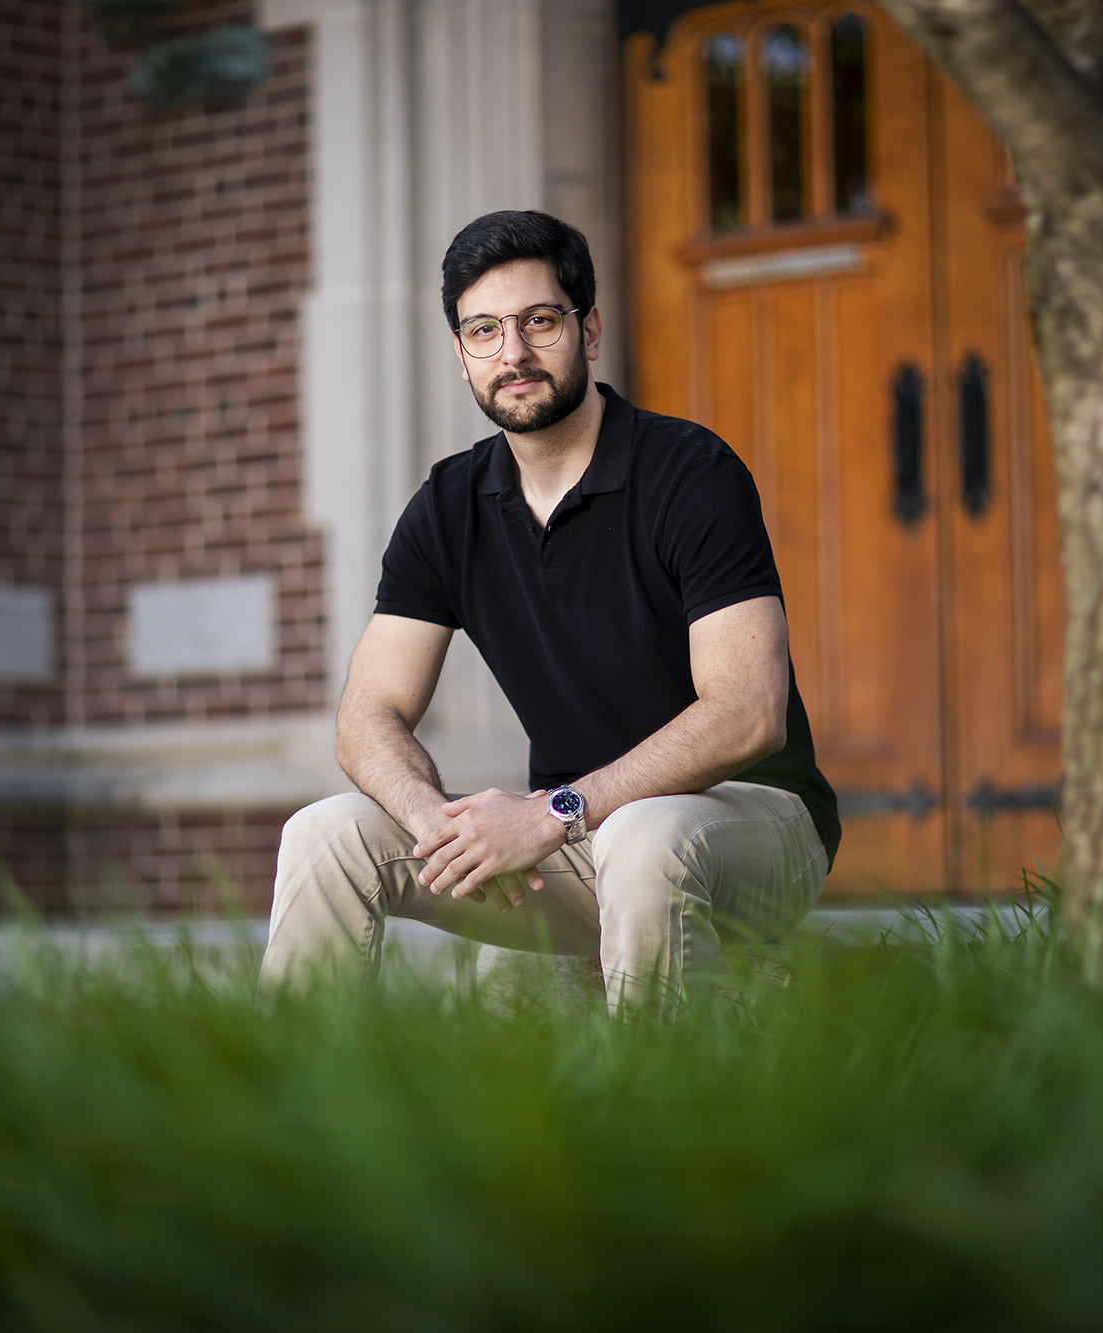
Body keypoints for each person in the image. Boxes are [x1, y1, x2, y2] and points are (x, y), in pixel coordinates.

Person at [260, 210, 839, 1011]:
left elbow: (749, 713)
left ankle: (660, 1110)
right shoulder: (448, 505)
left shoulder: (689, 472)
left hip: (753, 825)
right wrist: (437, 823)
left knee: (643, 835)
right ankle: (287, 1110)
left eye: (539, 321)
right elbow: (368, 715)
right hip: (573, 840)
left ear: (589, 329)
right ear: (462, 358)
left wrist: (554, 812)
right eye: (485, 331)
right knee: (325, 832)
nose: (515, 354)